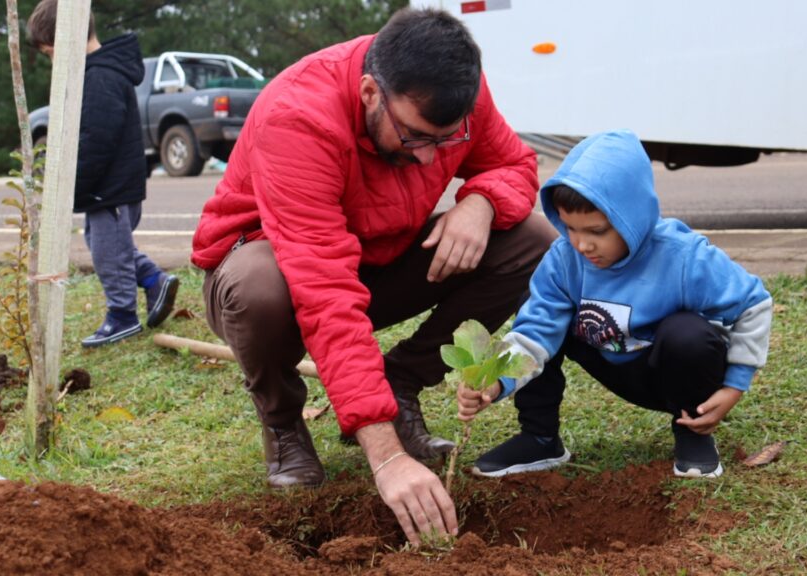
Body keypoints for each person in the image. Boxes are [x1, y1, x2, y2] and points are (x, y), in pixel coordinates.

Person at [190, 8, 555, 545]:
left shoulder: (453, 91)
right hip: (277, 271)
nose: (431, 155)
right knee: (259, 288)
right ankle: (284, 420)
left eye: (445, 139)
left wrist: (481, 201)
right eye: (414, 138)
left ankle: (401, 382)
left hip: (382, 257)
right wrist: (386, 459)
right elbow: (324, 291)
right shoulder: (297, 117)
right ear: (368, 94)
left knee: (532, 241)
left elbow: (513, 164)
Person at [457, 129, 773, 479]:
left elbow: (753, 304)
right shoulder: (565, 259)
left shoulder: (683, 257)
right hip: (610, 360)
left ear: (633, 217)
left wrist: (734, 387)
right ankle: (540, 437)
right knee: (535, 301)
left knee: (688, 333)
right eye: (570, 228)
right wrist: (497, 380)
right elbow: (536, 333)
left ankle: (692, 433)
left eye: (597, 231)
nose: (582, 245)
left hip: (671, 370)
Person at [27, 0, 180, 348]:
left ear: (65, 40)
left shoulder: (101, 78)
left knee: (109, 253)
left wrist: (74, 187)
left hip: (108, 189)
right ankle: (154, 280)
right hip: (110, 188)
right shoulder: (100, 72)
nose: (52, 60)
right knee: (103, 245)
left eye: (50, 52)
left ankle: (122, 316)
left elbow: (97, 141)